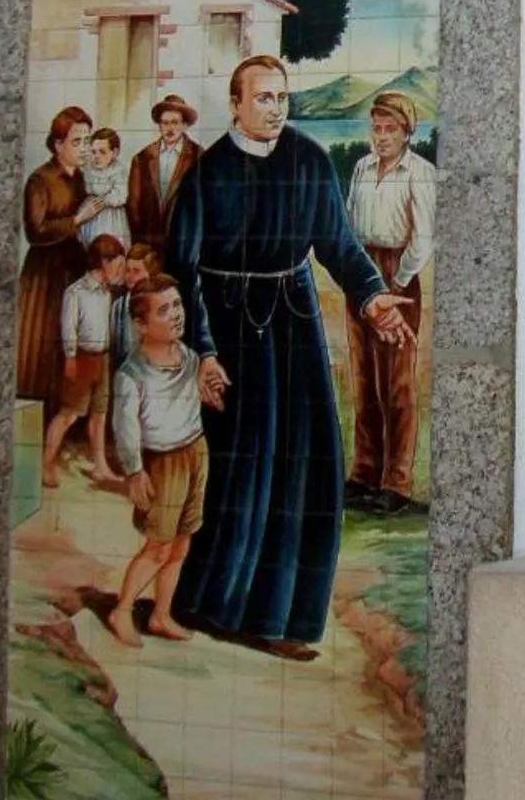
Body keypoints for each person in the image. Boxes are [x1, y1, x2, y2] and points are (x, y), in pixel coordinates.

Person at [165, 55, 413, 659]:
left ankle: (284, 618)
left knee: (310, 463)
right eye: (264, 98)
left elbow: (338, 243)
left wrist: (373, 298)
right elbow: (180, 271)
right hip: (228, 329)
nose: (276, 108)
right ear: (236, 104)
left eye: (282, 97)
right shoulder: (207, 174)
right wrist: (201, 351)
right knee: (240, 469)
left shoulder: (307, 160)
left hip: (293, 320)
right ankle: (211, 604)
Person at [343, 90, 437, 516]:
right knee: (363, 376)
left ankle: (396, 481)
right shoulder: (362, 168)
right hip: (362, 271)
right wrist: (356, 276)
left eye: (390, 130)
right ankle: (364, 472)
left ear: (406, 133)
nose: (381, 137)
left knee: (396, 381)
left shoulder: (419, 172)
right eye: (376, 128)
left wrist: (396, 285)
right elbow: (348, 220)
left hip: (397, 275)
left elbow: (422, 239)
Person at [107, 276, 213, 647]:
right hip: (161, 462)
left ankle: (160, 614)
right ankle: (121, 610)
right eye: (164, 310)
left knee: (182, 544)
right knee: (157, 546)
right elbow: (125, 428)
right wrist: (135, 471)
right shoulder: (131, 374)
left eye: (178, 305)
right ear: (140, 324)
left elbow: (194, 397)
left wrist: (207, 394)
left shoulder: (189, 357)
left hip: (194, 452)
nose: (176, 316)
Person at [16, 106, 105, 412]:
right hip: (46, 274)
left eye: (86, 141)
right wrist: (77, 219)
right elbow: (36, 230)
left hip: (73, 266)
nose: (83, 148)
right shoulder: (40, 180)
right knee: (47, 348)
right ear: (58, 144)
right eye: (77, 142)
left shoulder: (80, 178)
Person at [44, 234, 129, 487]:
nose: (119, 269)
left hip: (102, 359)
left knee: (99, 416)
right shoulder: (76, 292)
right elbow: (68, 328)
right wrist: (70, 357)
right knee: (68, 414)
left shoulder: (106, 294)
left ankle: (101, 467)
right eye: (117, 263)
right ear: (103, 261)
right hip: (82, 358)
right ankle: (46, 462)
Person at [126, 94, 200, 249]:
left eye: (175, 122)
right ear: (159, 125)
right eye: (165, 123)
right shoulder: (142, 159)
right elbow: (133, 208)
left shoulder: (199, 157)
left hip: (184, 246)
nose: (170, 129)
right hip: (149, 247)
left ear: (185, 125)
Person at [78, 127, 128, 247]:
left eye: (102, 152)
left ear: (114, 152)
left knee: (108, 244)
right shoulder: (87, 168)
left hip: (110, 215)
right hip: (89, 212)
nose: (97, 156)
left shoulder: (118, 170)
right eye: (94, 152)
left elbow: (121, 195)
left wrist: (105, 200)